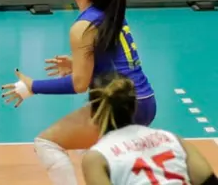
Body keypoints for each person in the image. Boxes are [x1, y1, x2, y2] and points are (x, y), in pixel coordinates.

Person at [0, 0, 158, 185]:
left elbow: (79, 84)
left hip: (117, 106)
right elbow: (115, 61)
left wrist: (32, 86)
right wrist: (78, 62)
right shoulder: (110, 14)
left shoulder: (83, 27)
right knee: (92, 153)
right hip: (144, 101)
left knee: (47, 143)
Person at [81, 74, 218, 185]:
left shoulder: (97, 157)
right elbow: (209, 182)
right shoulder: (172, 139)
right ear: (135, 107)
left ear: (92, 111)